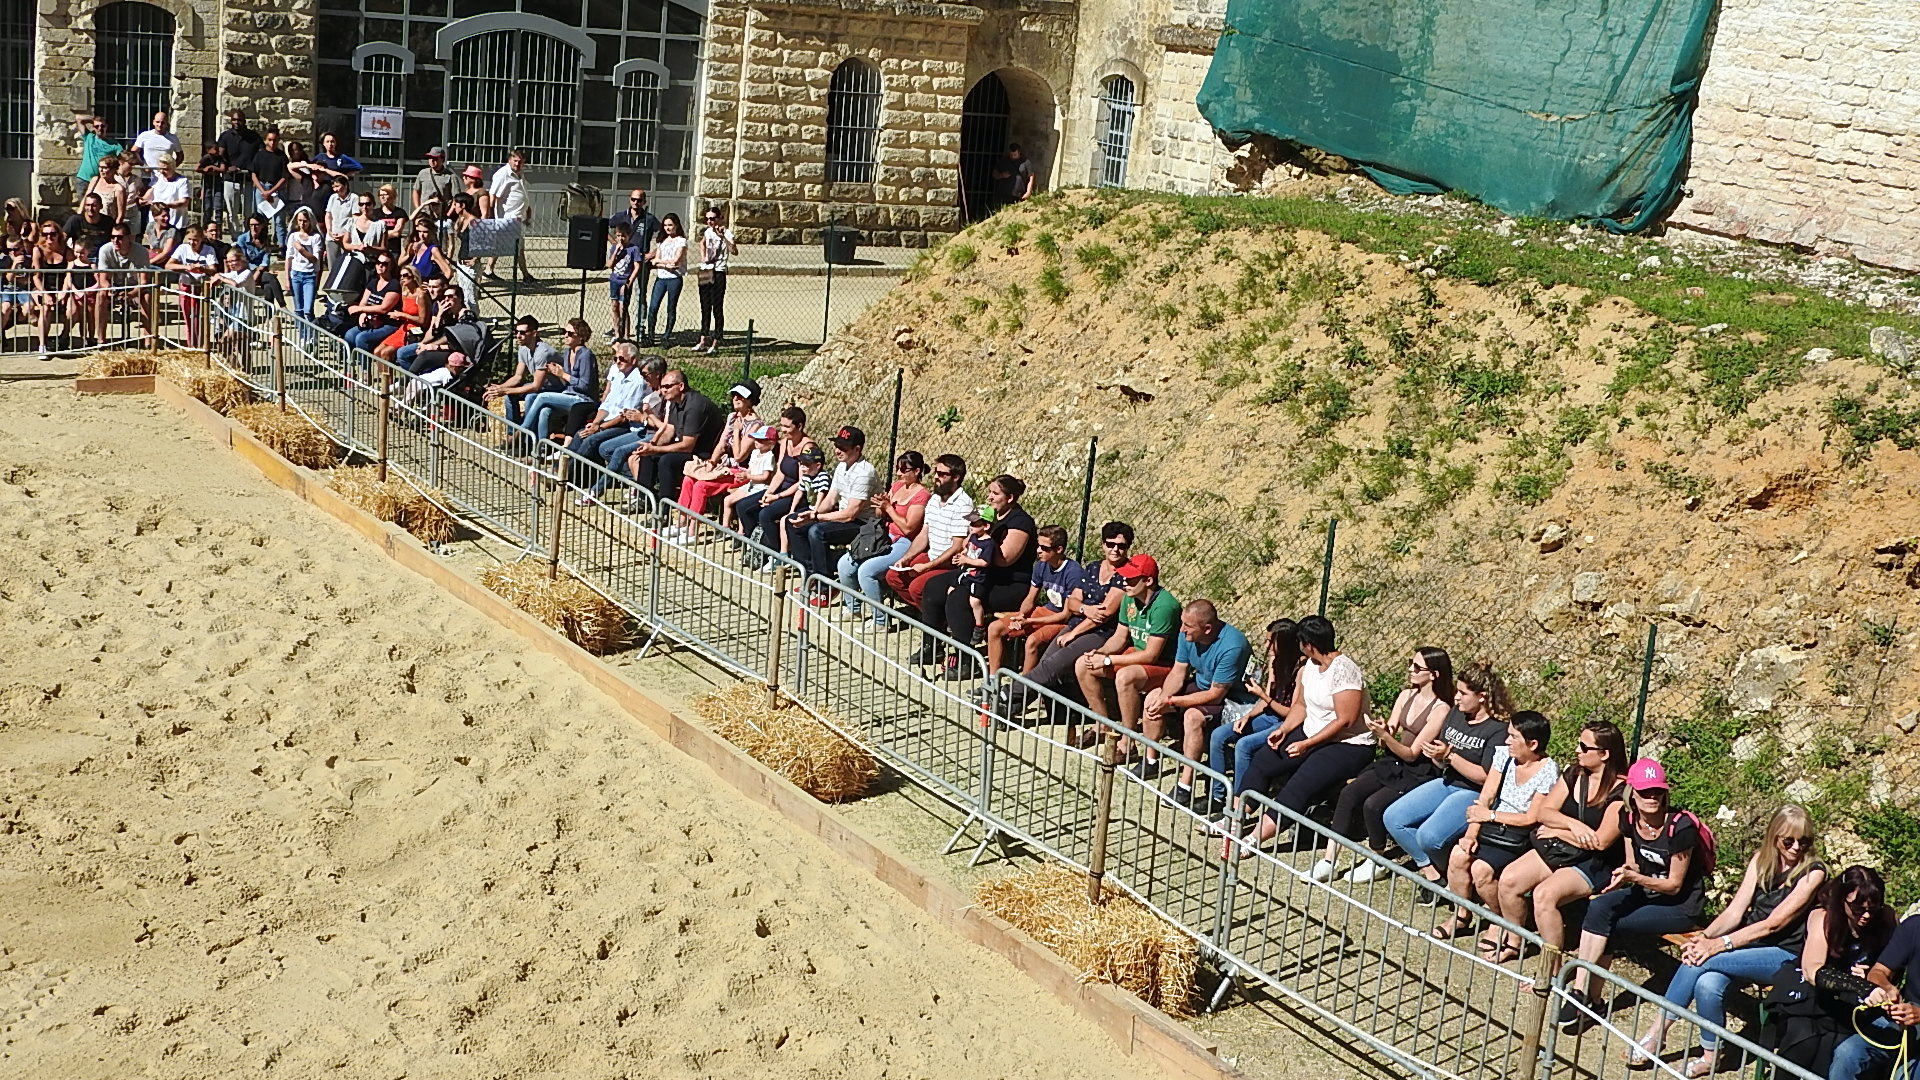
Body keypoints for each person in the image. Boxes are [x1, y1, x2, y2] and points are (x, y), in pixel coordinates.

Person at [1627, 806, 1826, 1075]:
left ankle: (1657, 1031)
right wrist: (1705, 937)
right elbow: (1735, 910)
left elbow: (1773, 924)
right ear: (1774, 837)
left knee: (1701, 962)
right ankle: (1712, 1053)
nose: (1795, 848)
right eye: (1788, 840)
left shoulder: (1813, 873)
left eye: (1804, 841)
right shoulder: (1762, 860)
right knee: (1709, 983)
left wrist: (1719, 945)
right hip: (1749, 943)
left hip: (1784, 953)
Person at [1557, 758, 1713, 1029]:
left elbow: (1674, 885)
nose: (1652, 797)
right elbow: (1634, 863)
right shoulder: (1628, 818)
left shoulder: (1680, 827)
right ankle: (1582, 991)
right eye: (1645, 792)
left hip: (1679, 907)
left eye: (1657, 791)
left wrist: (1635, 877)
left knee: (1612, 924)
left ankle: (1589, 999)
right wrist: (1624, 874)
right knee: (1600, 907)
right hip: (1646, 892)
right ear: (1632, 793)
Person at [1223, 615, 1374, 854]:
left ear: (1308, 645)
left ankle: (1254, 838)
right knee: (1265, 759)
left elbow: (1346, 719)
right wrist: (1283, 730)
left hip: (1348, 744)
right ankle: (1233, 818)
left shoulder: (1345, 672)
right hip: (1310, 730)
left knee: (1300, 781)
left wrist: (1307, 744)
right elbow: (1301, 706)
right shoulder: (1310, 667)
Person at [1312, 647, 1454, 883]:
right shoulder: (1406, 696)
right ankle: (1330, 860)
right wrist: (1382, 730)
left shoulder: (1441, 709)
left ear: (1434, 675)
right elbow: (1390, 731)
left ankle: (1377, 860)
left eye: (1417, 667)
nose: (1411, 669)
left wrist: (1385, 737)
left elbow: (1412, 753)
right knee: (1349, 793)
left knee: (1373, 805)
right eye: (1411, 663)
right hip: (1393, 761)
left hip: (1417, 770)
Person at [1490, 720, 1629, 959]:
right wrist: (1573, 825)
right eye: (1578, 744)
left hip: (1595, 862)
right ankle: (1514, 941)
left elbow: (1601, 842)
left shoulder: (1621, 791)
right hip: (1563, 849)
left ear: (1604, 754)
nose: (1577, 751)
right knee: (1509, 881)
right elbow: (1545, 812)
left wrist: (1559, 830)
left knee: (1544, 895)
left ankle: (1550, 968)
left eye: (1584, 748)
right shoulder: (1574, 774)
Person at [1432, 711, 1560, 956]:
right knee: (1459, 857)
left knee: (1481, 870)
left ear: (1532, 744)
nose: (1507, 740)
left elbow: (1532, 817)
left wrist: (1489, 816)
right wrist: (1471, 833)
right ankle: (1461, 914)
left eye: (1514, 737)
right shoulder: (1504, 756)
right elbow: (1487, 797)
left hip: (1517, 832)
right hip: (1492, 824)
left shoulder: (1547, 771)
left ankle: (1498, 919)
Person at [1381, 662, 1513, 891]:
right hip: (1447, 781)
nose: (1457, 697)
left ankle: (1454, 878)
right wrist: (1438, 756)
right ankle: (1434, 873)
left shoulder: (1497, 730)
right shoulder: (1456, 714)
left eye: (1463, 693)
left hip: (1473, 791)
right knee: (1393, 817)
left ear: (1481, 697)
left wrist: (1450, 756)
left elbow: (1486, 777)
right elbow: (1440, 755)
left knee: (1429, 836)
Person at [998, 521, 1134, 726]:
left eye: (1121, 546)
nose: (1115, 549)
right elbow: (1072, 602)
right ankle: (1013, 706)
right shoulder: (1094, 567)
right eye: (1110, 544)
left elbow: (1104, 615)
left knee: (1052, 666)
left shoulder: (1124, 576)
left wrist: (1074, 632)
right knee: (1047, 665)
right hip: (1078, 623)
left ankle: (1009, 694)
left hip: (1101, 633)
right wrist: (1084, 609)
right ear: (1103, 544)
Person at [1141, 600, 1251, 808]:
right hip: (1201, 686)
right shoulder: (1187, 635)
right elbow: (1179, 670)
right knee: (1152, 698)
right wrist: (1163, 697)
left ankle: (1185, 785)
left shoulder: (1232, 646)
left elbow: (1216, 695)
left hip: (1231, 698)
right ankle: (1150, 760)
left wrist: (1173, 701)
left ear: (1207, 629)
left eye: (1187, 626)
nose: (1181, 630)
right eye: (1182, 623)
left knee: (1193, 717)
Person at [1075, 554, 1180, 754]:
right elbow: (1120, 637)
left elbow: (1151, 655)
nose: (1125, 582)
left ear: (1148, 581)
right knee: (1083, 664)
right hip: (1137, 654)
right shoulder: (1129, 598)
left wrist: (1108, 659)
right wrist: (1099, 653)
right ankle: (1103, 724)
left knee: (1125, 677)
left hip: (1165, 664)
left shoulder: (1165, 606)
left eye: (1132, 578)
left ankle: (1127, 741)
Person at [1811, 868, 1908, 1080]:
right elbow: (1813, 970)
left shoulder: (1887, 917)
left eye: (1872, 909)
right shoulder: (1823, 917)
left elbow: (1894, 968)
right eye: (1857, 908)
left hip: (1871, 1006)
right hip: (1827, 999)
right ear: (1842, 899)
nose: (1865, 916)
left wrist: (1877, 979)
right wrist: (1859, 985)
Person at [1202, 619, 1304, 817]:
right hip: (1268, 715)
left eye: (1270, 641)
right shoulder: (1274, 661)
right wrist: (1248, 717)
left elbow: (1291, 713)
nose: (1266, 646)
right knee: (1219, 735)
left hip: (1285, 723)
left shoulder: (1301, 669)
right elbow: (1266, 702)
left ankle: (1240, 803)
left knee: (1244, 746)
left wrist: (1262, 696)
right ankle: (1217, 795)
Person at [885, 455, 975, 644]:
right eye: (935, 472)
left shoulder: (963, 504)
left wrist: (928, 566)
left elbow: (957, 545)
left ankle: (934, 626)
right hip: (931, 553)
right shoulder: (934, 499)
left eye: (942, 474)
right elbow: (924, 533)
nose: (936, 477)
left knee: (918, 587)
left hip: (949, 563)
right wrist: (908, 557)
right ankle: (932, 616)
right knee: (893, 576)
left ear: (956, 477)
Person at [835, 450, 929, 629]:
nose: (899, 473)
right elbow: (880, 515)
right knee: (845, 564)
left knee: (866, 571)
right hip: (883, 535)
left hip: (905, 541)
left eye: (904, 469)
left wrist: (889, 508)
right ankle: (853, 608)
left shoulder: (922, 496)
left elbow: (909, 528)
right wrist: (881, 505)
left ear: (917, 471)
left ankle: (880, 620)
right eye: (898, 468)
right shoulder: (897, 486)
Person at [783, 425, 880, 590]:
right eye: (836, 445)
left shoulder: (864, 473)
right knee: (792, 521)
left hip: (863, 523)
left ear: (857, 449)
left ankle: (826, 585)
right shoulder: (842, 466)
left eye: (842, 447)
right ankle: (811, 573)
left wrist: (816, 517)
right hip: (843, 516)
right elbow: (831, 498)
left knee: (817, 532)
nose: (837, 450)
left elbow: (851, 514)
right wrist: (812, 513)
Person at [980, 524, 1079, 681]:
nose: (1038, 551)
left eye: (1044, 548)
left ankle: (1024, 688)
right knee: (995, 628)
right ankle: (992, 680)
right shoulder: (1041, 565)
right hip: (1045, 612)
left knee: (1032, 642)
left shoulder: (1073, 572)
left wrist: (1030, 621)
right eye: (1038, 546)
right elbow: (1030, 599)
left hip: (1063, 620)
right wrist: (1020, 616)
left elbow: (1065, 615)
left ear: (1059, 550)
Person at [577, 353, 671, 502]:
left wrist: (643, 418)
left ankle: (595, 492)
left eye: (645, 374)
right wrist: (639, 415)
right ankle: (636, 481)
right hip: (644, 430)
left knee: (619, 452)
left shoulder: (667, 392)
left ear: (657, 374)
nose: (643, 378)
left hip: (656, 434)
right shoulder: (653, 390)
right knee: (605, 448)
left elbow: (666, 426)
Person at [731, 406, 818, 558]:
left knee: (766, 514)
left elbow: (802, 481)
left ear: (799, 426)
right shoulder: (785, 442)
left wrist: (777, 497)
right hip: (781, 489)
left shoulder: (807, 447)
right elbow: (780, 472)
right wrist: (769, 492)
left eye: (787, 426)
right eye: (782, 425)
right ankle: (758, 544)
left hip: (797, 493)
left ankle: (776, 552)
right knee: (743, 506)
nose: (783, 430)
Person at [627, 369, 722, 500]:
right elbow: (669, 430)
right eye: (662, 387)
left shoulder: (695, 406)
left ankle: (665, 507)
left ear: (681, 386)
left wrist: (656, 449)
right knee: (648, 455)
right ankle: (644, 500)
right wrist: (651, 446)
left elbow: (688, 445)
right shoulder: (674, 402)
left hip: (704, 453)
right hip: (688, 447)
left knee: (667, 461)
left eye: (667, 386)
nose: (663, 390)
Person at [520, 319, 600, 446]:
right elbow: (567, 383)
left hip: (583, 399)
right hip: (568, 394)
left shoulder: (586, 355)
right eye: (564, 332)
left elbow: (585, 385)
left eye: (570, 333)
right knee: (545, 411)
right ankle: (541, 449)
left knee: (542, 397)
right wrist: (558, 373)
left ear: (581, 337)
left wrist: (563, 374)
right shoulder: (567, 352)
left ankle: (522, 430)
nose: (565, 336)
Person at [486, 317, 563, 429]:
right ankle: (512, 433)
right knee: (510, 396)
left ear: (534, 333)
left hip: (557, 389)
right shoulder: (523, 348)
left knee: (530, 397)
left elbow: (536, 386)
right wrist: (498, 388)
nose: (518, 336)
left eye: (522, 333)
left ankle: (526, 436)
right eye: (516, 332)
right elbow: (518, 377)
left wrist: (506, 390)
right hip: (542, 388)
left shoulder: (543, 353)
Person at [401, 284, 484, 375]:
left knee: (424, 356)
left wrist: (432, 346)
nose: (447, 299)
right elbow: (435, 333)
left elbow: (456, 342)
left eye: (450, 296)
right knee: (402, 353)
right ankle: (416, 377)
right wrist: (439, 315)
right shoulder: (449, 314)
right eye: (445, 297)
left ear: (460, 298)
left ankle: (412, 378)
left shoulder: (467, 315)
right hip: (443, 347)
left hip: (457, 351)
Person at [93, 222, 154, 344]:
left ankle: (148, 341)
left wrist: (131, 294)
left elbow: (144, 281)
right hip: (114, 287)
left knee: (146, 298)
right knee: (100, 296)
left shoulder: (141, 252)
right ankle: (101, 340)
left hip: (135, 288)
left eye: (120, 237)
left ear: (129, 238)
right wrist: (110, 290)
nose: (115, 240)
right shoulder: (105, 250)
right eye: (112, 237)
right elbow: (103, 279)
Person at [163, 223, 219, 348]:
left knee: (198, 318)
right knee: (188, 318)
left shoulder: (209, 250)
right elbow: (168, 265)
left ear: (202, 239)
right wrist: (185, 267)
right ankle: (191, 345)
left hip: (200, 287)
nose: (192, 243)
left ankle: (201, 344)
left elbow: (213, 269)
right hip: (186, 286)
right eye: (190, 239)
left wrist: (203, 269)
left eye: (196, 240)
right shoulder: (183, 248)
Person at [30, 221, 78, 357]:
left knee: (72, 310)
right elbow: (36, 276)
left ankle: (63, 337)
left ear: (58, 235)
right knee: (45, 310)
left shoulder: (66, 251)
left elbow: (69, 273)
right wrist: (45, 294)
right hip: (43, 287)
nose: (49, 238)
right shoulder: (37, 250)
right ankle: (42, 345)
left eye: (52, 234)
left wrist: (63, 292)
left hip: (62, 286)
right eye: (45, 234)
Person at [693, 206, 737, 354]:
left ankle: (716, 341)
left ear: (719, 218)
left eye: (713, 218)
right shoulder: (707, 231)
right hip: (706, 269)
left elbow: (734, 251)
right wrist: (703, 256)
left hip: (718, 272)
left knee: (716, 307)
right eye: (708, 219)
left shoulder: (727, 232)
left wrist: (723, 237)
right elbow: (702, 242)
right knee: (705, 307)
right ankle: (703, 339)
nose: (710, 221)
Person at [486, 149, 533, 280]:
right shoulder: (502, 174)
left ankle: (489, 269)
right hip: (508, 217)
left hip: (519, 216)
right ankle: (525, 274)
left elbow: (522, 194)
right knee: (518, 247)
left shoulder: (519, 174)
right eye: (515, 161)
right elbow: (493, 194)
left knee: (502, 245)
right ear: (509, 160)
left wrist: (528, 211)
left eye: (520, 162)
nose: (517, 164)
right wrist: (491, 216)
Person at [342, 252, 401, 355]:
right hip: (371, 321)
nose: (380, 265)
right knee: (349, 335)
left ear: (391, 267)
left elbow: (383, 308)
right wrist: (363, 314)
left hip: (387, 323)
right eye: (378, 262)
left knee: (362, 338)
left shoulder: (394, 285)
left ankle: (365, 369)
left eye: (385, 264)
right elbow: (363, 303)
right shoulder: (373, 282)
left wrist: (360, 310)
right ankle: (350, 364)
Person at [373, 263, 432, 364]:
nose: (402, 278)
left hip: (415, 331)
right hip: (404, 327)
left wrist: (402, 315)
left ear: (413, 277)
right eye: (401, 276)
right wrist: (398, 316)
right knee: (377, 351)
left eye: (405, 275)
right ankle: (384, 379)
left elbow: (423, 321)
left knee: (385, 353)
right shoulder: (405, 293)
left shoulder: (420, 295)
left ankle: (388, 380)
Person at [215, 109, 263, 232]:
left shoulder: (253, 137)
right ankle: (235, 237)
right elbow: (220, 155)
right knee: (232, 212)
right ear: (231, 121)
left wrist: (254, 170)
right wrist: (227, 167)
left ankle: (248, 236)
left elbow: (261, 154)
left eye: (239, 120)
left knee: (249, 212)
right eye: (234, 120)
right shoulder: (225, 136)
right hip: (230, 179)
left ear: (244, 121)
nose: (237, 122)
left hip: (248, 180)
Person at [645, 214, 687, 347]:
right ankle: (650, 335)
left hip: (674, 278)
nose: (668, 228)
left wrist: (661, 262)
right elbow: (654, 262)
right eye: (665, 225)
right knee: (653, 306)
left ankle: (666, 336)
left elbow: (676, 261)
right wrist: (665, 264)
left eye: (670, 225)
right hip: (661, 278)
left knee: (671, 307)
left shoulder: (681, 241)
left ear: (676, 225)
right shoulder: (661, 240)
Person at [284, 207, 325, 322]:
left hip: (309, 275)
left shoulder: (315, 237)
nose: (302, 224)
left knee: (308, 309)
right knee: (298, 309)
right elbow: (289, 258)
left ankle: (310, 334)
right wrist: (287, 279)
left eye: (305, 221)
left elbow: (315, 259)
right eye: (300, 220)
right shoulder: (293, 236)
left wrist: (302, 250)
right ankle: (302, 336)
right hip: (296, 274)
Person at [144, 153, 191, 248]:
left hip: (175, 221)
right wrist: (143, 200)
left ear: (173, 167)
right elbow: (150, 192)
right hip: (156, 221)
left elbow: (184, 201)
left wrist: (164, 206)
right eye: (160, 168)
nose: (162, 171)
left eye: (165, 169)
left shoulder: (182, 181)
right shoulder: (157, 178)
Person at [251, 128, 291, 243]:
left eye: (275, 140)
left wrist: (271, 191)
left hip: (277, 190)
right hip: (261, 189)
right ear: (265, 140)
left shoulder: (282, 156)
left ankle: (281, 246)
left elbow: (284, 177)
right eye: (270, 140)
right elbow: (254, 174)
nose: (272, 143)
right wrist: (263, 191)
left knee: (279, 220)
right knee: (260, 220)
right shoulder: (259, 154)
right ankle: (262, 244)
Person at [606, 222, 640, 342]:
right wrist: (616, 252)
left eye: (624, 236)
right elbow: (610, 265)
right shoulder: (615, 248)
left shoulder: (633, 249)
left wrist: (630, 281)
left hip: (625, 281)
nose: (621, 238)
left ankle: (626, 335)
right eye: (619, 236)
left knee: (623, 308)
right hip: (614, 280)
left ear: (629, 236)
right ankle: (616, 334)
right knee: (614, 306)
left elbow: (636, 267)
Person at [73, 113, 120, 199]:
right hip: (84, 180)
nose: (100, 128)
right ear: (93, 127)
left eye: (102, 126)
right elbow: (78, 118)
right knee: (85, 208)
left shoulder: (114, 145)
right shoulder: (89, 137)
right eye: (97, 126)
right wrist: (93, 119)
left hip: (101, 182)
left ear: (106, 127)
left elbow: (123, 159)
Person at [401, 216, 454, 284]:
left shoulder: (433, 250)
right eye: (419, 231)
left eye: (425, 232)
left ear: (432, 232)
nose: (421, 235)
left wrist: (436, 287)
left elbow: (448, 272)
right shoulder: (417, 247)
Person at [132, 110, 181, 177]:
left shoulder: (173, 138)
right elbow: (133, 151)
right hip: (147, 175)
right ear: (153, 122)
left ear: (167, 123)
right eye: (157, 122)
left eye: (163, 123)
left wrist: (171, 168)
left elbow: (180, 156)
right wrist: (143, 165)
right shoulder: (144, 135)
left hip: (165, 176)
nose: (160, 125)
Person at [323, 175, 359, 267]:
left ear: (345, 185)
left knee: (346, 264)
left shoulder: (354, 198)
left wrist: (344, 234)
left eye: (337, 186)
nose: (335, 189)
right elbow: (328, 215)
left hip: (346, 237)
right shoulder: (333, 197)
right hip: (332, 237)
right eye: (333, 187)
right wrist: (329, 231)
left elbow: (355, 218)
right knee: (332, 265)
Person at [412, 148, 457, 219]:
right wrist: (418, 208)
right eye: (430, 158)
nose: (432, 160)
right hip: (425, 214)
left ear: (442, 159)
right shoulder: (423, 173)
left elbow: (456, 198)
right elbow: (416, 190)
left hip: (441, 214)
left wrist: (448, 214)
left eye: (435, 158)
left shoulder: (450, 176)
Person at [85, 155, 129, 224]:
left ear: (114, 169)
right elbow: (85, 198)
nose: (101, 170)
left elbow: (120, 215)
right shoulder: (95, 180)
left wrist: (115, 229)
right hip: (90, 221)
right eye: (100, 167)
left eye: (105, 168)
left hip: (107, 225)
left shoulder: (118, 189)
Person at [991, 143, 1036, 208]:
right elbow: (994, 173)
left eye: (1015, 155)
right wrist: (1001, 175)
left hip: (1018, 195)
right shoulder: (1004, 161)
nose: (1013, 157)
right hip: (1003, 193)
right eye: (1011, 155)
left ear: (1019, 153)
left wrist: (1028, 192)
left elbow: (1031, 177)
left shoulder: (1026, 162)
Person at [196, 142, 228, 227]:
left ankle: (218, 228)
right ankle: (206, 226)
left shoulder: (220, 158)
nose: (217, 150)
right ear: (208, 150)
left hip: (217, 184)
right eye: (215, 149)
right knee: (207, 207)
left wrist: (213, 167)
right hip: (207, 184)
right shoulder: (206, 158)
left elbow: (223, 168)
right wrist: (204, 170)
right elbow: (197, 168)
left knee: (218, 207)